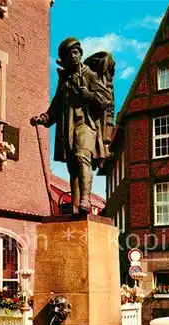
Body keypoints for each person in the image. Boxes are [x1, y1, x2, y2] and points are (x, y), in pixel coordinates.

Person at [30, 37, 114, 214]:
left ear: (80, 54)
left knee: (82, 157)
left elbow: (106, 100)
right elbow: (57, 105)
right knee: (72, 167)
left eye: (76, 52)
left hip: (86, 125)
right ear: (66, 59)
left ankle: (85, 200)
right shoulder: (65, 81)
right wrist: (45, 118)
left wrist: (90, 96)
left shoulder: (90, 75)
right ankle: (75, 205)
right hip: (67, 128)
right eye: (70, 54)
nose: (74, 56)